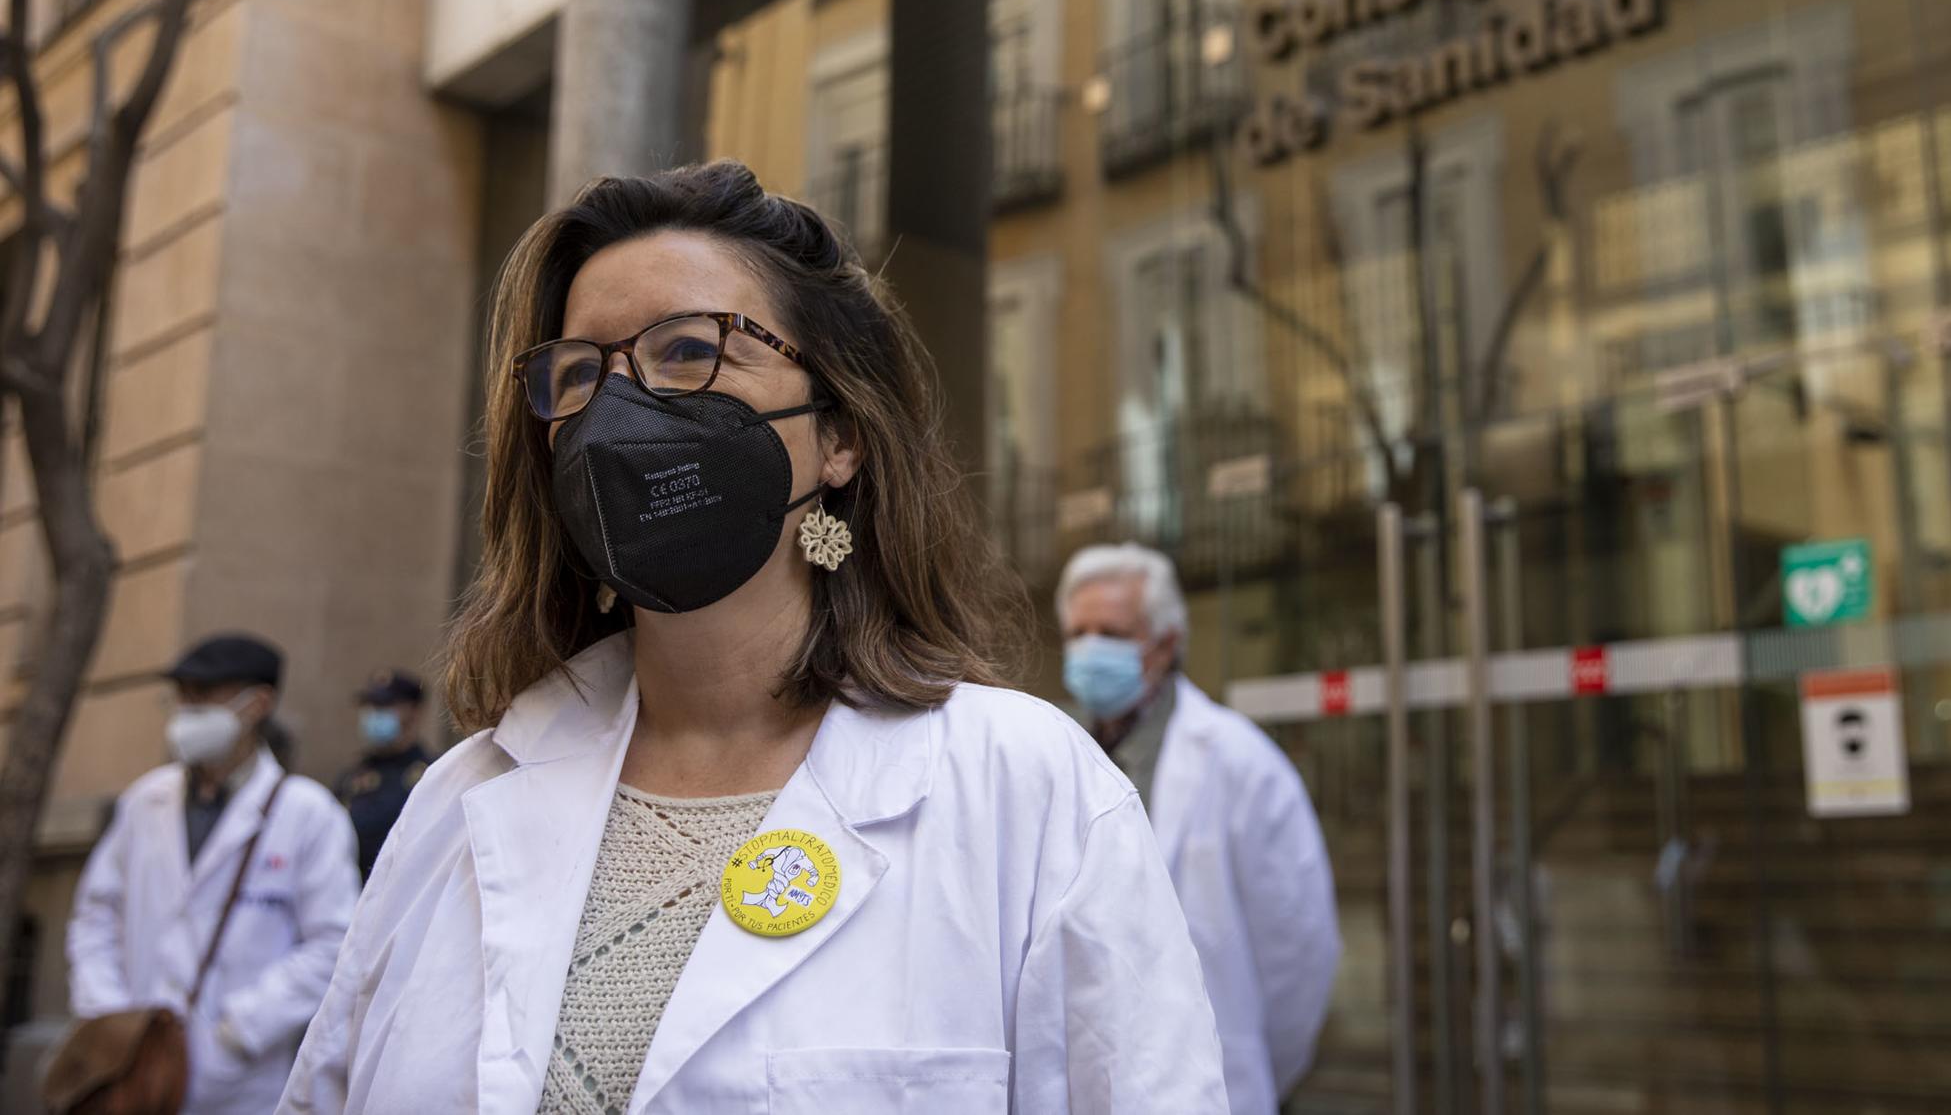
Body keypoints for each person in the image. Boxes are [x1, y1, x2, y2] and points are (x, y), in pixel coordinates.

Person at [281, 161, 1228, 1113]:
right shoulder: (458, 803)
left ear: (839, 436)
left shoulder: (1028, 792)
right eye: (578, 374)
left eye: (689, 350)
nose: (616, 414)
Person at [1057, 543, 1340, 1115]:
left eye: (1110, 633)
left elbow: (1298, 953)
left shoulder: (1237, 762)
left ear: (1165, 644)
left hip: (1215, 1084)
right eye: (1077, 633)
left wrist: (1251, 1060)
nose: (1089, 650)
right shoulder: (1053, 752)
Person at [66, 634, 359, 1115]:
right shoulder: (145, 801)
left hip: (239, 1083)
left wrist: (237, 1032)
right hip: (130, 1067)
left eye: (204, 697)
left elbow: (335, 945)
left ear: (258, 704)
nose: (186, 712)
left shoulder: (309, 815)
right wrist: (107, 1011)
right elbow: (96, 914)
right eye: (182, 697)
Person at [334, 669, 434, 879]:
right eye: (369, 706)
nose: (374, 714)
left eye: (385, 706)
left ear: (414, 711)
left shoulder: (432, 774)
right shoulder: (352, 776)